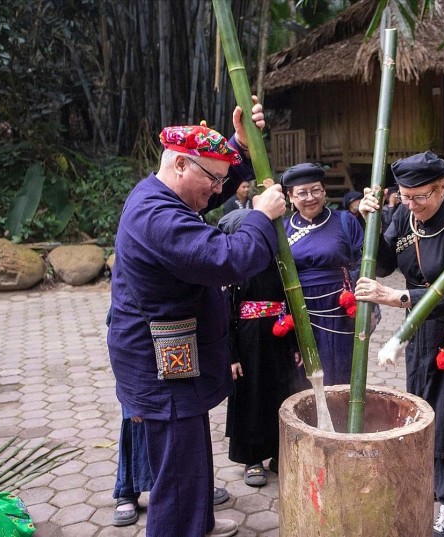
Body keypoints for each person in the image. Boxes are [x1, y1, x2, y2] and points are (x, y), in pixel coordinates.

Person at [107, 99, 287, 537]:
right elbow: (227, 258)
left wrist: (240, 146)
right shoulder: (157, 216)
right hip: (159, 362)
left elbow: (208, 190)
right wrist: (260, 217)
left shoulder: (162, 192)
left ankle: (197, 523)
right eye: (214, 179)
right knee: (177, 469)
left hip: (173, 354)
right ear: (182, 165)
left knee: (189, 450)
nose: (219, 190)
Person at [356, 151, 444, 537]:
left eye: (420, 197)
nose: (412, 205)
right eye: (404, 197)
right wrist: (374, 219)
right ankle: (429, 486)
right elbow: (383, 263)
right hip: (418, 330)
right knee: (422, 408)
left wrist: (394, 297)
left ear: (443, 187)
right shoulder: (403, 212)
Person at [219, 209, 300, 489]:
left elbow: (291, 305)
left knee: (279, 393)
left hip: (279, 337)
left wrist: (295, 344)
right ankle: (252, 458)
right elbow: (226, 315)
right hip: (248, 341)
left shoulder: (281, 264)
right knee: (251, 397)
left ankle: (280, 452)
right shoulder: (233, 269)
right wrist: (231, 356)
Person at [282, 163, 364, 385]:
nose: (310, 197)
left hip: (339, 308)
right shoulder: (282, 229)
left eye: (316, 190)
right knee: (304, 376)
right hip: (300, 310)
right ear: (290, 197)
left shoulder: (345, 221)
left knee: (342, 371)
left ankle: (344, 418)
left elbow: (363, 265)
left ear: (324, 191)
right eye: (302, 192)